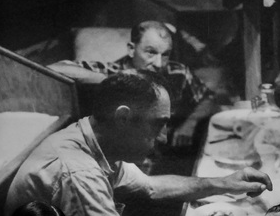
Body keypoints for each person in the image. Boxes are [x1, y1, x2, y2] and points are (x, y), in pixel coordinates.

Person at [4, 70, 271, 216]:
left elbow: (151, 188)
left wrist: (225, 182)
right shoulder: (77, 172)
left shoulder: (94, 137)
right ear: (123, 117)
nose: (164, 137)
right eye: (158, 124)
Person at [49, 20, 215, 149]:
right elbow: (55, 69)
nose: (158, 63)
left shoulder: (177, 72)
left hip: (167, 150)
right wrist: (111, 80)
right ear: (131, 49)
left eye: (165, 55)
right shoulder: (114, 71)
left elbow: (207, 98)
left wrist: (190, 124)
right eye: (150, 52)